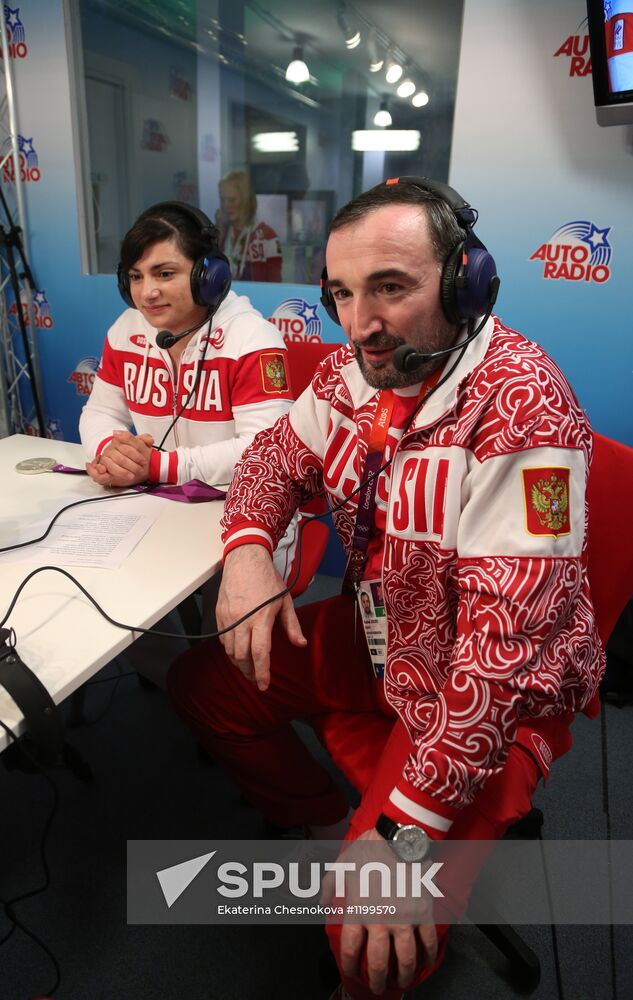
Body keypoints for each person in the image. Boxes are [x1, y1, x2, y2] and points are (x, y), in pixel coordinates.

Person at [167, 179, 605, 999]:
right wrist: (250, 551)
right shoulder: (348, 374)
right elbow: (269, 461)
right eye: (340, 292)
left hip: (486, 696)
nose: (360, 322)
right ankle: (329, 821)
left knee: (365, 933)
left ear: (467, 280)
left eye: (391, 287)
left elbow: (500, 659)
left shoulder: (521, 410)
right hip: (386, 634)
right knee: (205, 685)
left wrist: (402, 831)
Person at [79, 201, 297, 679]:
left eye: (164, 273)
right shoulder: (127, 330)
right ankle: (182, 685)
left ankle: (210, 694)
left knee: (229, 643)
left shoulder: (252, 339)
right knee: (103, 598)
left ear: (209, 275)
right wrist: (109, 450)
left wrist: (158, 466)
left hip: (246, 514)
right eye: (135, 277)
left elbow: (264, 452)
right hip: (158, 504)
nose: (147, 292)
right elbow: (99, 410)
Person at [217, 170, 282, 281]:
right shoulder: (222, 233)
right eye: (223, 200)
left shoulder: (267, 236)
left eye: (232, 200)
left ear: (245, 200)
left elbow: (275, 283)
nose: (226, 206)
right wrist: (218, 235)